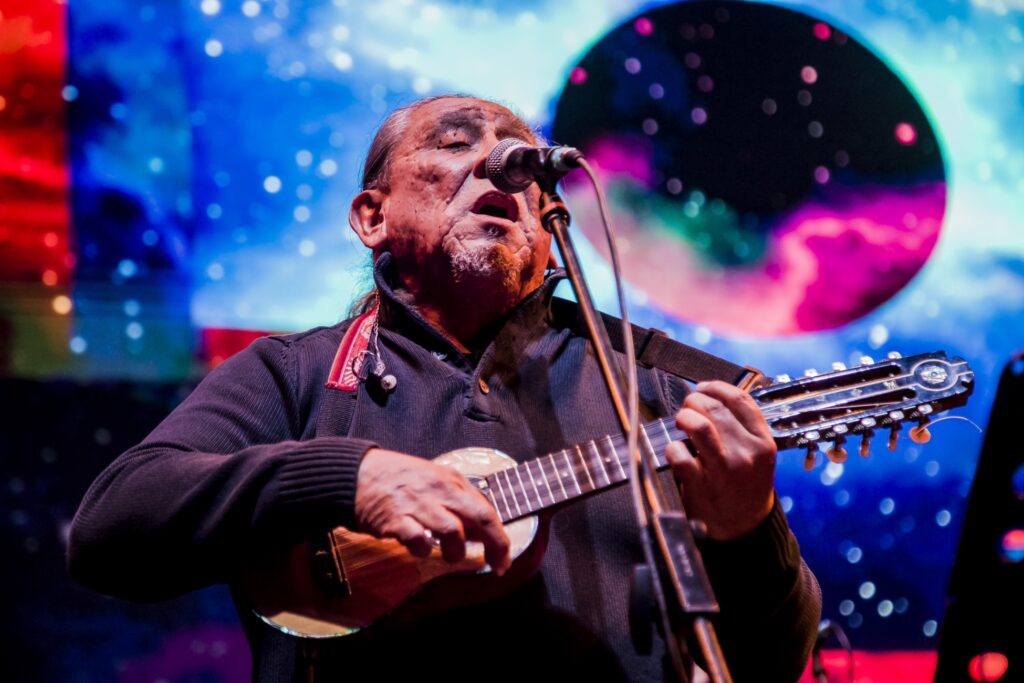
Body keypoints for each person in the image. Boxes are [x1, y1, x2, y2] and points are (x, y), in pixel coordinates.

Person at [68, 95, 820, 681]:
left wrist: (748, 532)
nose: (500, 164)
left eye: (521, 159)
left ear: (548, 221)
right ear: (372, 216)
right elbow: (111, 529)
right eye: (455, 144)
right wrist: (350, 476)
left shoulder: (666, 389)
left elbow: (768, 667)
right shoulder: (294, 374)